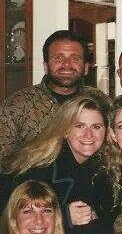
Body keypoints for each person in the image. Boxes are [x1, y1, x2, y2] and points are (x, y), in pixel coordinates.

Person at [1, 93, 113, 234]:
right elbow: (13, 218)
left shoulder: (104, 166)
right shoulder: (39, 168)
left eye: (96, 127)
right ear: (65, 131)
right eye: (79, 126)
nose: (89, 134)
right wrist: (64, 216)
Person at [0, 30, 95, 166]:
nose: (67, 65)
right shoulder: (17, 105)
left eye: (75, 59)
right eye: (58, 58)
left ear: (86, 68)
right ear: (45, 66)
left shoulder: (99, 102)